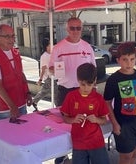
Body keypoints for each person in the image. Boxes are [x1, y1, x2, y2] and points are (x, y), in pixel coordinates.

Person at [49, 17, 96, 164]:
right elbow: (51, 70)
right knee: (64, 126)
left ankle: (82, 154)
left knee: (84, 125)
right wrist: (53, 70)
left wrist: (93, 91)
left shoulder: (87, 47)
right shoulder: (58, 48)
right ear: (67, 29)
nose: (75, 31)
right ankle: (62, 157)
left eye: (78, 28)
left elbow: (93, 71)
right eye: (72, 28)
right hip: (65, 91)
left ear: (82, 29)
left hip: (84, 92)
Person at [103, 42, 136, 164]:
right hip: (124, 124)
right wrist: (114, 123)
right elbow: (107, 102)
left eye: (132, 59)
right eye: (125, 59)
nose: (129, 63)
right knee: (126, 157)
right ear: (118, 60)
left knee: (134, 154)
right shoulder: (113, 79)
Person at [60, 63, 110, 164]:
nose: (86, 88)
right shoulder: (71, 97)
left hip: (96, 142)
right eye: (83, 84)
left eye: (89, 84)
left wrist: (96, 119)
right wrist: (73, 119)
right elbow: (65, 118)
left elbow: (104, 120)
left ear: (95, 80)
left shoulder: (98, 98)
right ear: (78, 80)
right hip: (79, 143)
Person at [0, 24, 32, 121]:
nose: (12, 39)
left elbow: (21, 74)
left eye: (13, 36)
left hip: (21, 102)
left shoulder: (15, 52)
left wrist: (28, 93)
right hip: (5, 108)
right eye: (7, 36)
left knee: (24, 133)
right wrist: (12, 106)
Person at [32, 39, 57, 111]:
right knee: (56, 93)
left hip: (54, 77)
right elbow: (43, 69)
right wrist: (40, 79)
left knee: (44, 91)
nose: (52, 45)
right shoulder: (44, 56)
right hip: (50, 78)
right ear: (47, 46)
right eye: (50, 44)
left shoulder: (52, 54)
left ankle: (34, 101)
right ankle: (58, 106)